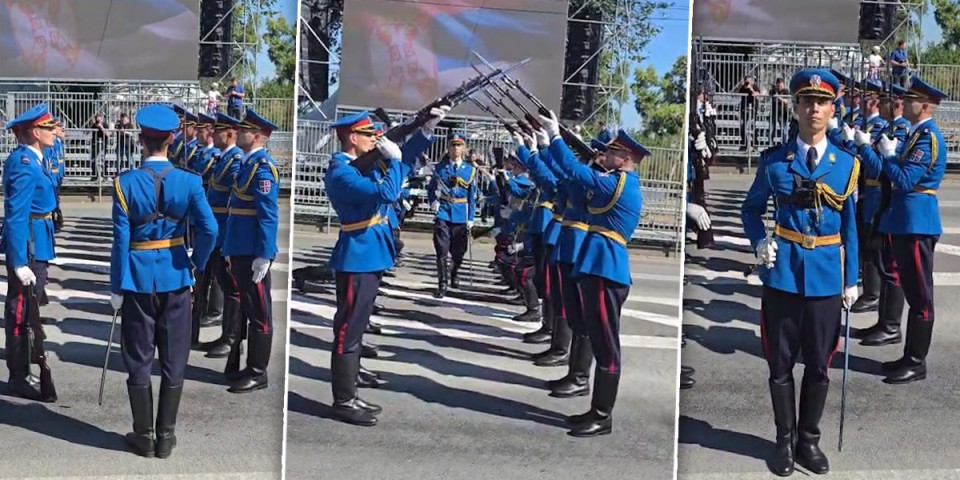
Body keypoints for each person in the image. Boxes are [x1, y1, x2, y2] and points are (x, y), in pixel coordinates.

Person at [741, 68, 860, 476]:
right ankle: (784, 440)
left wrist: (852, 279)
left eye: (822, 102)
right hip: (784, 274)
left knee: (820, 365)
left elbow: (851, 228)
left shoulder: (846, 164)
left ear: (833, 110)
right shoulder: (775, 161)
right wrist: (759, 240)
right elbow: (750, 209)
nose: (814, 109)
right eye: (807, 101)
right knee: (780, 364)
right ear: (795, 108)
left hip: (825, 277)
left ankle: (809, 440)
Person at [109, 103, 217, 458]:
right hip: (175, 274)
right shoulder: (190, 181)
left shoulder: (124, 183)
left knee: (138, 358)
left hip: (138, 279)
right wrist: (196, 263)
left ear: (141, 140)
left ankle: (144, 435)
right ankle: (166, 437)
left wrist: (116, 286)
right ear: (172, 140)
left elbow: (120, 241)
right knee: (174, 357)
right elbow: (209, 230)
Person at [542, 112, 646, 438]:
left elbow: (576, 173)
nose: (605, 155)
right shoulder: (613, 182)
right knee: (594, 336)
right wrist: (549, 147)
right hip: (596, 265)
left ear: (625, 159)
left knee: (606, 348)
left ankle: (602, 416)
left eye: (612, 152)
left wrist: (555, 137)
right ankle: (594, 408)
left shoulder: (620, 185)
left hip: (606, 269)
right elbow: (575, 184)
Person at [854, 74, 946, 385]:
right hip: (905, 220)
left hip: (917, 223)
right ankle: (908, 356)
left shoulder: (928, 138)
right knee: (906, 286)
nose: (903, 104)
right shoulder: (917, 135)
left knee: (920, 298)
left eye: (910, 100)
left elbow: (905, 180)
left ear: (925, 106)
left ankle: (916, 362)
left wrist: (890, 155)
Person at [219, 109, 281, 394]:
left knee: (259, 314)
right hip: (239, 248)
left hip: (252, 251)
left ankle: (258, 372)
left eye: (244, 130)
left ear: (257, 136)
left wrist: (264, 254)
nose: (238, 133)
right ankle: (247, 366)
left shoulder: (262, 168)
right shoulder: (248, 164)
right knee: (248, 308)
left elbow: (268, 215)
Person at [1, 103, 60, 400]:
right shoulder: (25, 163)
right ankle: (18, 374)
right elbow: (15, 214)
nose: (54, 133)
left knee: (29, 311)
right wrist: (18, 261)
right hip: (29, 244)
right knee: (21, 311)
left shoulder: (34, 158)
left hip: (38, 239)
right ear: (35, 132)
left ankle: (24, 368)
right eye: (48, 128)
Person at [849, 83, 911, 346]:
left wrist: (863, 147)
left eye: (884, 100)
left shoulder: (902, 131)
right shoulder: (888, 129)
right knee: (877, 256)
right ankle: (883, 320)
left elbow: (878, 169)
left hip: (885, 198)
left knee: (887, 263)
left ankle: (889, 323)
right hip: (875, 196)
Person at [195, 113, 244, 367]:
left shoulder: (235, 160)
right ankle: (225, 336)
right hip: (215, 226)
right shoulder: (224, 158)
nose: (213, 135)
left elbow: (233, 197)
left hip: (225, 228)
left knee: (231, 288)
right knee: (223, 283)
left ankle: (231, 338)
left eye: (217, 131)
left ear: (230, 134)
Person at [426, 132, 478, 298]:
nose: (455, 148)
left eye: (459, 145)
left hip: (461, 213)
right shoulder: (440, 168)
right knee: (441, 250)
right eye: (452, 145)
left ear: (464, 148)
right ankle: (442, 285)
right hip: (444, 212)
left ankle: (454, 272)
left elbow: (472, 196)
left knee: (459, 252)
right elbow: (431, 188)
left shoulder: (470, 170)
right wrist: (433, 202)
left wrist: (471, 218)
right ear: (448, 148)